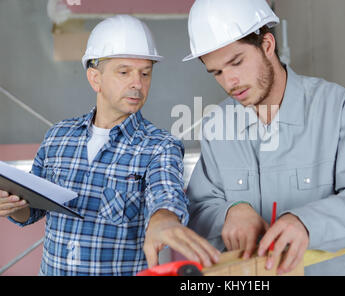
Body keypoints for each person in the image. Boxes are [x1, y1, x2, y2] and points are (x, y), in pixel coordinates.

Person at [184, 0, 345, 275]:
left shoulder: (334, 107)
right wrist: (230, 212)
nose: (229, 82)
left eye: (236, 62)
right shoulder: (215, 126)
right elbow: (197, 208)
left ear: (267, 45)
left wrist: (307, 223)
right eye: (217, 72)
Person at [0, 15, 219, 275]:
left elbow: (167, 195)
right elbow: (33, 210)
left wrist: (164, 221)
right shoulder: (57, 137)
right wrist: (14, 206)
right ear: (95, 79)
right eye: (124, 72)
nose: (137, 83)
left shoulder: (159, 147)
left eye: (145, 73)